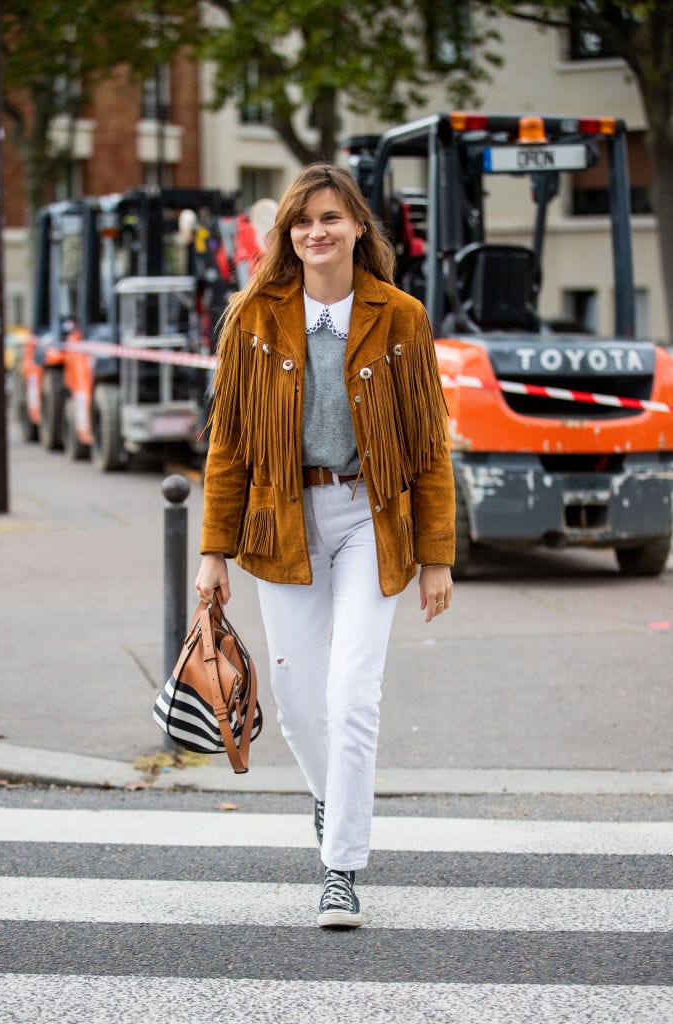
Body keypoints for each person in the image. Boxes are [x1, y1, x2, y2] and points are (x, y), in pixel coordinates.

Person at [195, 163, 455, 928]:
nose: (317, 232)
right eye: (303, 220)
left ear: (356, 230)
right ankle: (328, 800)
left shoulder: (400, 316)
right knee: (301, 707)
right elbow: (229, 444)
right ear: (287, 235)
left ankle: (340, 867)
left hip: (370, 522)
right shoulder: (254, 318)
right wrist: (213, 551)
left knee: (352, 698)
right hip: (282, 524)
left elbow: (427, 446)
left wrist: (436, 557)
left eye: (332, 219)